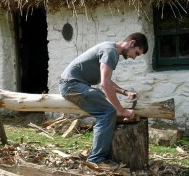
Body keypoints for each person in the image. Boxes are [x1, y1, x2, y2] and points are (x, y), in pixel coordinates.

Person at [59, 32, 148, 165]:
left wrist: (125, 92)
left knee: (101, 99)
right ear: (132, 43)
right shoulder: (110, 51)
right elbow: (105, 84)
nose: (134, 58)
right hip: (71, 86)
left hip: (75, 85)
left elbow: (105, 80)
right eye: (136, 53)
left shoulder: (111, 50)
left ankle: (99, 153)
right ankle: (96, 160)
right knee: (107, 112)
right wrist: (122, 111)